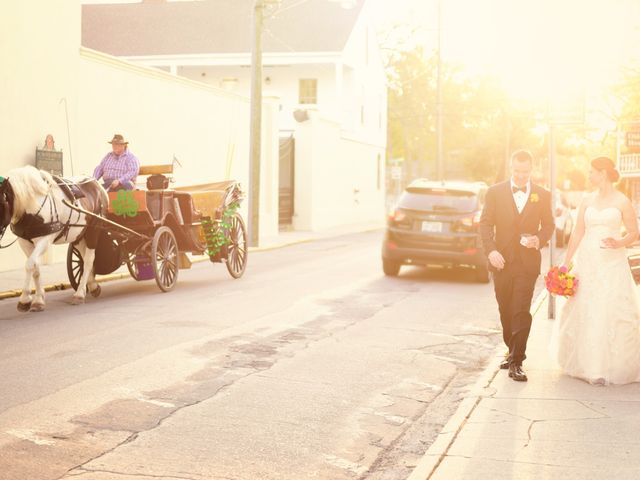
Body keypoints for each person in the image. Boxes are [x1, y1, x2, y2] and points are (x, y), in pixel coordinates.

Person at [552, 157, 640, 385]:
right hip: (588, 260)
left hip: (612, 263)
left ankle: (608, 367)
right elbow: (578, 233)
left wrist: (620, 242)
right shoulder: (587, 199)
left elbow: (633, 232)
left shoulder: (622, 200)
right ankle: (587, 365)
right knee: (587, 308)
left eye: (592, 172)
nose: (589, 175)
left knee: (610, 309)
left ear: (603, 173)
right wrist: (566, 262)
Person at [479, 150, 555, 382]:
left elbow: (549, 226)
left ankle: (517, 361)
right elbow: (485, 224)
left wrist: (538, 240)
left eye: (525, 172)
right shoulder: (494, 192)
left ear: (531, 170)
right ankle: (510, 349)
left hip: (527, 264)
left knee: (521, 310)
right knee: (505, 310)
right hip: (501, 262)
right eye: (517, 171)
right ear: (511, 168)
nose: (521, 176)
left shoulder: (542, 194)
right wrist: (491, 251)